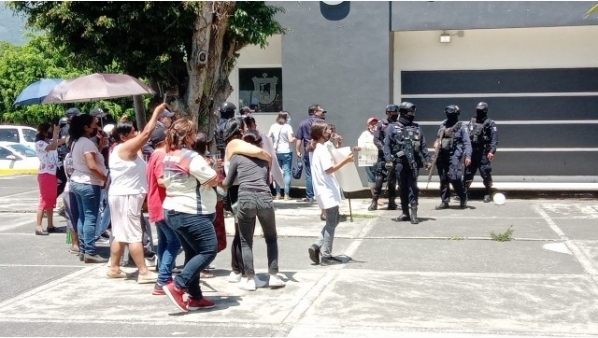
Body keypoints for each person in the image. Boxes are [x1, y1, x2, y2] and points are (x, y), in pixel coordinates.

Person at [161, 118, 220, 312]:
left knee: (193, 252)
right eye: (194, 133)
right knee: (209, 250)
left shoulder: (169, 155)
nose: (196, 136)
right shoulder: (191, 157)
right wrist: (216, 171)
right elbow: (212, 179)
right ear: (188, 136)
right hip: (191, 210)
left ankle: (195, 296)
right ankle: (178, 285)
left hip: (173, 209)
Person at [106, 104, 165, 283]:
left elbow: (140, 142)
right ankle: (143, 271)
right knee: (133, 234)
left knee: (120, 233)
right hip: (127, 195)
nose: (137, 134)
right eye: (132, 132)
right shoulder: (123, 149)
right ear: (123, 137)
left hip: (122, 194)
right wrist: (156, 113)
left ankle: (114, 268)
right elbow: (146, 134)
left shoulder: (126, 150)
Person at [223, 129, 285, 291]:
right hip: (264, 197)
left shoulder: (237, 157)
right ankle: (273, 276)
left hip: (245, 198)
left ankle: (250, 279)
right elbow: (267, 180)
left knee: (246, 241)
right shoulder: (265, 158)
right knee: (271, 238)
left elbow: (228, 182)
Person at [307, 120, 355, 266]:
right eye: (327, 130)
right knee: (331, 223)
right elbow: (329, 169)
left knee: (332, 221)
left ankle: (317, 245)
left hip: (324, 191)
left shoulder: (318, 149)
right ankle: (326, 255)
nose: (330, 132)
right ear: (322, 133)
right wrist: (346, 160)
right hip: (327, 191)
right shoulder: (321, 150)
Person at [68, 114, 109, 263]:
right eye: (94, 125)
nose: (97, 128)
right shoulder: (86, 143)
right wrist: (106, 179)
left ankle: (84, 249)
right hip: (88, 183)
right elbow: (92, 166)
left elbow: (87, 161)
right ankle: (90, 251)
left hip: (77, 181)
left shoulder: (77, 142)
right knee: (91, 217)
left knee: (83, 217)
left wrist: (100, 147)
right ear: (86, 127)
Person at [146, 125, 181, 295]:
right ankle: (163, 280)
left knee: (164, 242)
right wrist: (179, 180)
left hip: (156, 204)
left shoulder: (154, 155)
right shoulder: (161, 156)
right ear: (165, 140)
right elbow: (161, 181)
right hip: (162, 204)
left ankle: (163, 274)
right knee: (175, 241)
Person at [383, 102, 431, 224]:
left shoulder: (416, 127)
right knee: (402, 188)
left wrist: (428, 159)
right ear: (403, 112)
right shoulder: (392, 127)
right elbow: (387, 145)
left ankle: (414, 213)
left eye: (413, 113)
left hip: (413, 163)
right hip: (399, 164)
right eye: (410, 113)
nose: (412, 115)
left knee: (413, 188)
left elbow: (423, 145)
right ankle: (405, 213)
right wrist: (388, 160)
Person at [434, 105, 472, 210]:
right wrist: (436, 143)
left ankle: (463, 196)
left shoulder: (461, 126)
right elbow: (438, 138)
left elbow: (467, 142)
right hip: (442, 155)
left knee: (455, 177)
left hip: (455, 155)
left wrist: (468, 155)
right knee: (443, 178)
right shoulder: (443, 124)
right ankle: (445, 201)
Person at [34, 122, 67, 235]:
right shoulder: (40, 143)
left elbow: (60, 141)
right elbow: (53, 146)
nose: (50, 132)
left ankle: (50, 225)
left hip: (52, 174)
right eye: (49, 130)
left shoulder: (49, 141)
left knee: (51, 200)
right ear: (44, 132)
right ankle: (38, 226)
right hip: (45, 174)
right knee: (44, 200)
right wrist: (54, 134)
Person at [464, 102, 498, 203]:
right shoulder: (472, 121)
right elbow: (466, 137)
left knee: (485, 172)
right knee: (468, 173)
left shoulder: (490, 123)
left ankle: (487, 193)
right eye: (477, 109)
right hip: (472, 151)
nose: (478, 111)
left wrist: (492, 151)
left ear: (485, 111)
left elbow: (494, 139)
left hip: (483, 152)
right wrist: (466, 152)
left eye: (481, 110)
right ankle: (464, 193)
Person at [369, 105, 399, 211]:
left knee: (392, 180)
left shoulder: (399, 125)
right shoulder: (381, 124)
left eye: (395, 112)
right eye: (391, 112)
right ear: (387, 113)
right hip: (383, 156)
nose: (394, 114)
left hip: (395, 156)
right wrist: (386, 151)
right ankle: (374, 201)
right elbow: (376, 140)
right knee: (379, 179)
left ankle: (391, 202)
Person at [295, 104, 327, 202]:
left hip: (308, 151)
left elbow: (299, 139)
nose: (323, 113)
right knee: (322, 172)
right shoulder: (321, 123)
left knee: (309, 174)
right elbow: (327, 137)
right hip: (320, 149)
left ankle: (310, 196)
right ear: (315, 112)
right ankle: (321, 195)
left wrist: (297, 150)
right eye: (321, 111)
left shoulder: (303, 123)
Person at [267, 111, 295, 200]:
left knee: (277, 172)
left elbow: (268, 137)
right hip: (286, 151)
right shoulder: (288, 127)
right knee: (286, 172)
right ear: (286, 118)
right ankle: (286, 194)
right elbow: (291, 140)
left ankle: (278, 194)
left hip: (276, 152)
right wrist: (296, 137)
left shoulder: (273, 126)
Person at [353, 117, 379, 198]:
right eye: (372, 124)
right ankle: (374, 197)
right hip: (368, 159)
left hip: (379, 158)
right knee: (371, 177)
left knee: (379, 178)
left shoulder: (379, 133)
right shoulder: (364, 134)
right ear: (368, 125)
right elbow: (360, 146)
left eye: (375, 124)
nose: (373, 125)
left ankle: (378, 196)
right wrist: (357, 148)